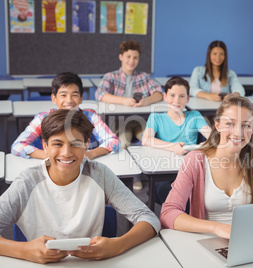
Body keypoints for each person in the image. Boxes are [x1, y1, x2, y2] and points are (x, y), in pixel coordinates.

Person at [0, 109, 160, 264]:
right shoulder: (27, 182)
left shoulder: (100, 174)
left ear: (86, 145)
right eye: (57, 143)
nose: (66, 153)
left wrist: (118, 245)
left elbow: (149, 218)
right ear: (45, 146)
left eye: (75, 144)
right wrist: (25, 250)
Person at [160, 96, 253, 239]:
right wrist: (217, 228)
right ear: (217, 125)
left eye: (246, 125)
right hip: (206, 241)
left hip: (249, 239)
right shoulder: (196, 161)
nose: (238, 132)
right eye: (230, 124)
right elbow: (168, 213)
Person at [95, 40, 163, 190]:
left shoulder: (143, 77)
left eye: (135, 57)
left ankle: (149, 171)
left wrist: (147, 101)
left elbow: (159, 93)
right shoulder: (111, 76)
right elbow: (100, 94)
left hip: (139, 119)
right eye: (128, 56)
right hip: (120, 120)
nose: (131, 61)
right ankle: (132, 175)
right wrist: (124, 101)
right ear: (121, 57)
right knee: (123, 141)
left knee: (148, 139)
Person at [11, 72, 120, 160]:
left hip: (82, 166)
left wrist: (91, 154)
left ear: (81, 98)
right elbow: (17, 146)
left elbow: (113, 141)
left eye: (74, 95)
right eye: (63, 95)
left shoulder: (90, 116)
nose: (69, 100)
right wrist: (48, 155)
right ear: (54, 98)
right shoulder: (43, 118)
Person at [142, 76, 211, 204]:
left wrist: (208, 143)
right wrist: (173, 147)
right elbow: (146, 140)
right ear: (165, 97)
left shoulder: (194, 116)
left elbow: (212, 136)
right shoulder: (156, 118)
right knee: (166, 190)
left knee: (199, 191)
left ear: (188, 98)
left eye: (182, 96)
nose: (176, 100)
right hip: (165, 170)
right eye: (172, 95)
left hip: (190, 170)